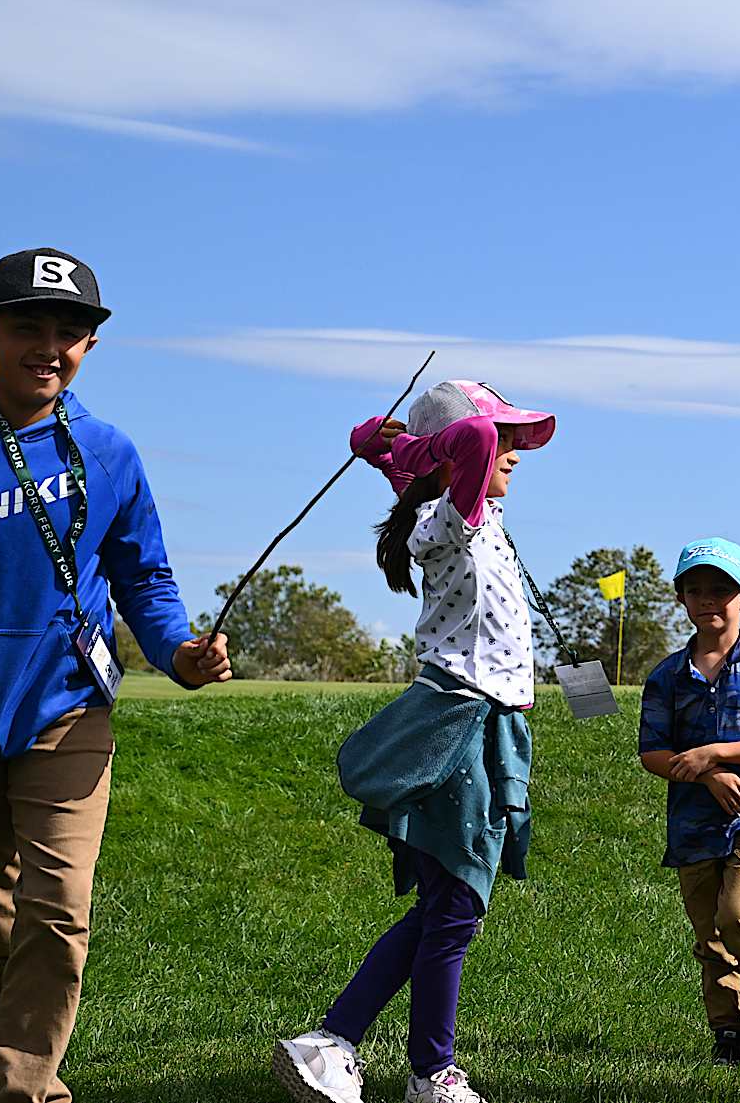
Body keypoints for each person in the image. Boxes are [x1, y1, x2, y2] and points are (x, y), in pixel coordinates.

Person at [0, 247, 234, 1103]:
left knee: (57, 913)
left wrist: (178, 653)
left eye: (71, 332)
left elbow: (146, 578)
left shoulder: (109, 451)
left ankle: (27, 1092)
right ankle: (10, 1082)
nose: (50, 346)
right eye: (29, 326)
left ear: (89, 348)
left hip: (67, 712)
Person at [272, 381, 556, 1103]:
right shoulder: (447, 516)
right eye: (508, 436)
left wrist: (387, 448)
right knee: (456, 905)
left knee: (444, 906)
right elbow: (471, 444)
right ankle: (431, 1072)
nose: (515, 451)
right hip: (457, 728)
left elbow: (366, 435)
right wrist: (410, 447)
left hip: (485, 727)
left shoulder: (464, 508)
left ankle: (334, 1042)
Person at [638, 537, 740, 1068]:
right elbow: (653, 753)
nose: (707, 599)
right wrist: (707, 776)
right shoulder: (665, 677)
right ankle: (729, 1032)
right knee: (708, 936)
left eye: (720, 590)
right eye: (695, 590)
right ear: (682, 600)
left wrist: (715, 752)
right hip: (692, 823)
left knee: (737, 912)